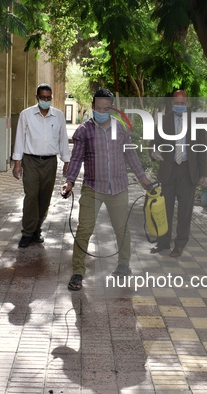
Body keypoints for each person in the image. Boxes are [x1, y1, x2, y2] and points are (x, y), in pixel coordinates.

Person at [62, 88, 151, 291]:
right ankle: (77, 272)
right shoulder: (83, 131)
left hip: (118, 187)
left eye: (106, 108)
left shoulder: (120, 129)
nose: (101, 111)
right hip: (93, 187)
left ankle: (123, 266)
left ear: (111, 108)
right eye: (98, 107)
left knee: (122, 229)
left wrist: (143, 178)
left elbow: (131, 156)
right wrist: (70, 181)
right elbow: (76, 159)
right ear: (93, 106)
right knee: (84, 229)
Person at [149, 89, 207, 258]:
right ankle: (163, 242)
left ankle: (180, 244)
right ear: (172, 104)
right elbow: (154, 141)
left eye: (183, 103)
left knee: (185, 211)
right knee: (164, 209)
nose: (180, 106)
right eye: (177, 103)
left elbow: (202, 149)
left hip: (188, 171)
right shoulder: (164, 121)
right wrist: (153, 152)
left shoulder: (197, 122)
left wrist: (203, 174)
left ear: (187, 103)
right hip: (168, 169)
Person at [12, 83, 70, 248]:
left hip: (50, 162)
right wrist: (17, 163)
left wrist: (67, 162)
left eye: (48, 98)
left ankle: (37, 228)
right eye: (42, 97)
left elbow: (63, 139)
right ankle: (27, 232)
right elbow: (20, 139)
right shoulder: (27, 115)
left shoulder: (58, 116)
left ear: (51, 98)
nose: (46, 100)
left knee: (45, 197)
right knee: (31, 196)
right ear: (37, 97)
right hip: (30, 161)